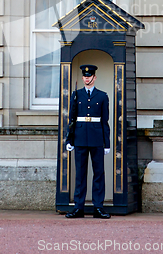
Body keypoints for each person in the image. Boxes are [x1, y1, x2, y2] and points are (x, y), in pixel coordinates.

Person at [65, 64, 111, 219]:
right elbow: (72, 119)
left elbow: (105, 121)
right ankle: (79, 207)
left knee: (98, 173)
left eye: (89, 76)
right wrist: (70, 139)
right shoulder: (76, 95)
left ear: (94, 77)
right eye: (84, 76)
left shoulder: (102, 96)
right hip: (80, 137)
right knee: (80, 174)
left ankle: (98, 207)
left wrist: (107, 143)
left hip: (97, 137)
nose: (86, 78)